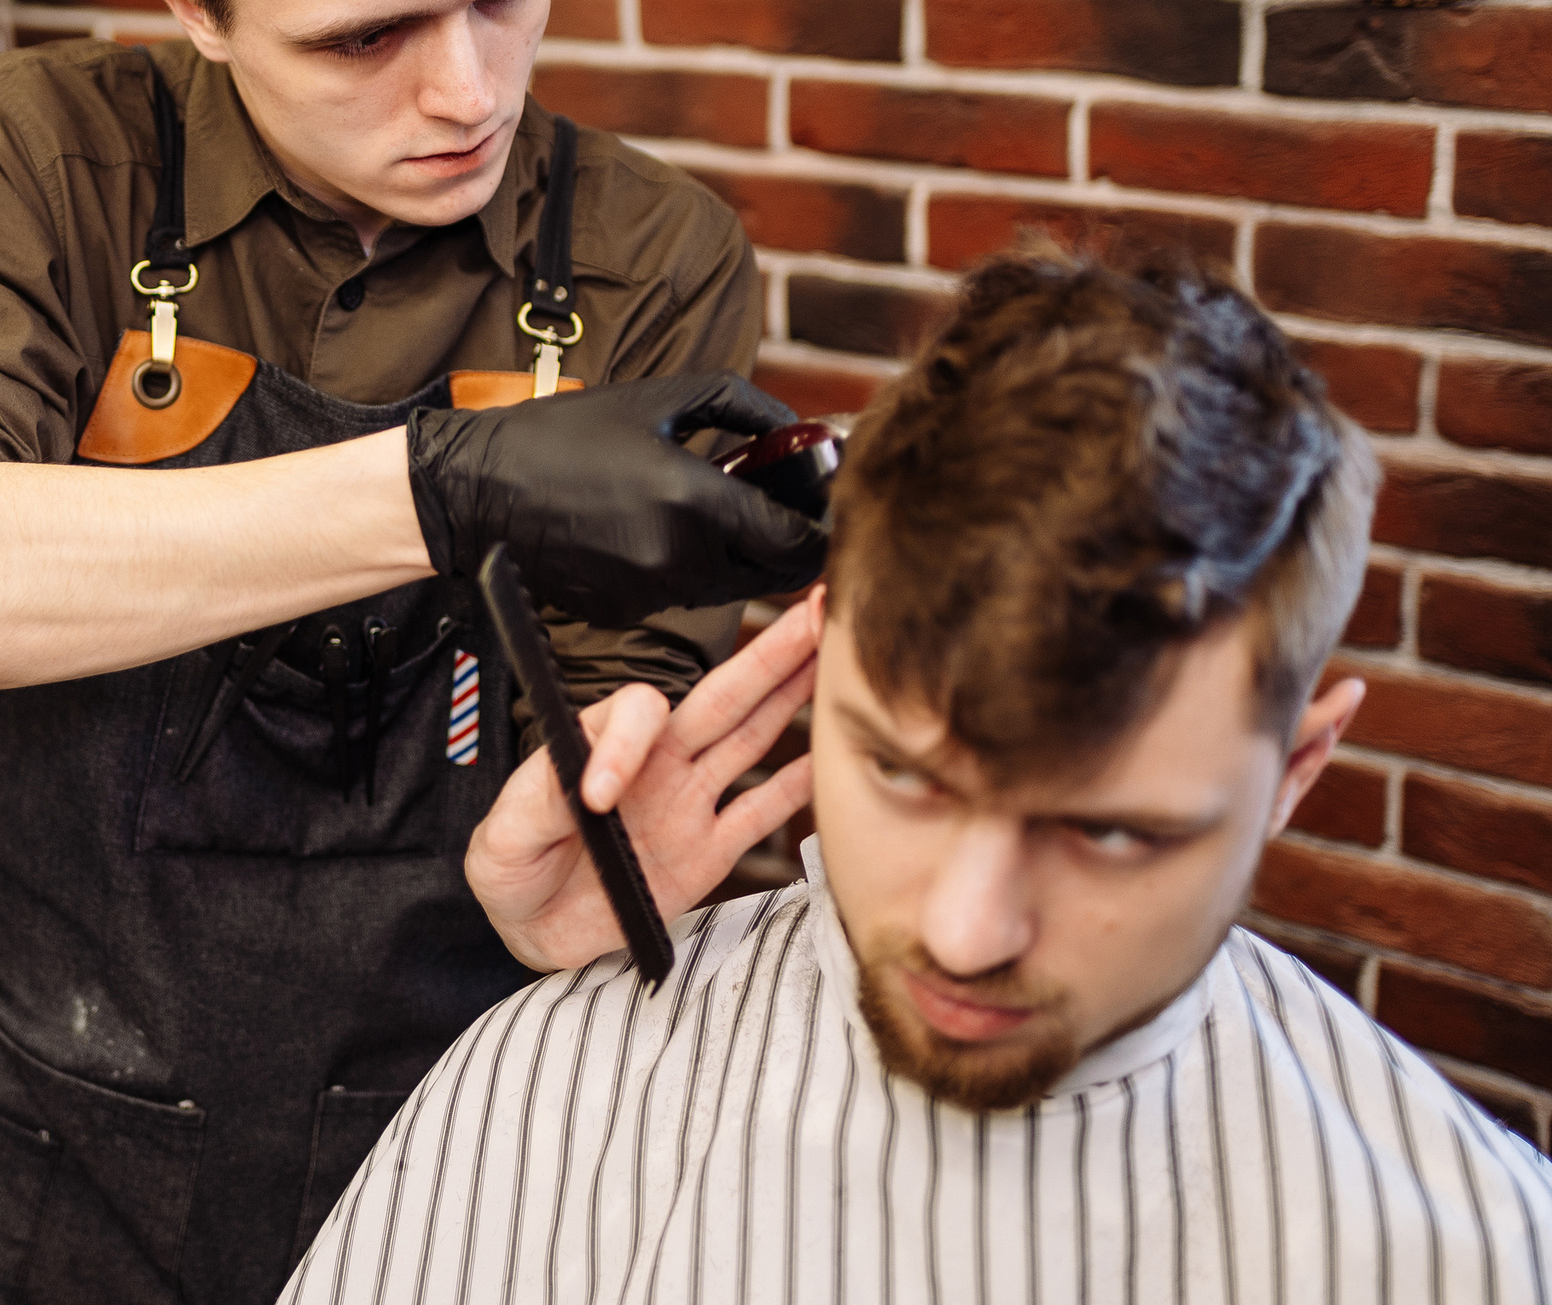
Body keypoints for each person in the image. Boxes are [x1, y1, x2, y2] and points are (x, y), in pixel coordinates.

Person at [0, 0, 826, 1303]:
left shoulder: (650, 254)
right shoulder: (48, 162)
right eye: (364, 38)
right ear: (191, 4)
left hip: (449, 1127)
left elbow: (615, 694)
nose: (468, 92)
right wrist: (442, 485)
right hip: (37, 1117)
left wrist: (590, 820)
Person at [287, 250, 1552, 1304]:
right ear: (820, 653)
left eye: (1108, 833)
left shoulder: (1474, 1254)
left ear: (1294, 770)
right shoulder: (559, 1084)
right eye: (902, 773)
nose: (964, 931)